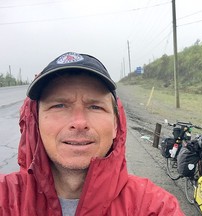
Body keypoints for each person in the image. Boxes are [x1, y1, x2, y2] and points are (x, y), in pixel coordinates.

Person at [0, 52, 184, 215]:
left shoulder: (155, 208)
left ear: (115, 125)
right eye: (59, 105)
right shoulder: (5, 199)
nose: (79, 123)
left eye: (95, 106)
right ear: (36, 122)